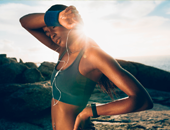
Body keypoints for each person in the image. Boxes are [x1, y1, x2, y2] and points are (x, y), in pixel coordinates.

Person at [20, 4, 153, 130]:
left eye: (53, 28)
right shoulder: (62, 50)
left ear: (69, 23)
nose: (51, 35)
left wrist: (89, 112)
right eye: (47, 33)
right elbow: (24, 22)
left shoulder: (92, 54)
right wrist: (56, 18)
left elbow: (142, 100)